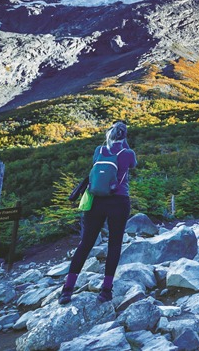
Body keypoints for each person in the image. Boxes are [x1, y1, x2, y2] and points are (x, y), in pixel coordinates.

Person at [60, 120, 137, 304]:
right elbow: (132, 165)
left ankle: (67, 290)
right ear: (124, 135)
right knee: (114, 245)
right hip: (119, 202)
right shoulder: (128, 153)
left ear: (109, 133)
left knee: (85, 244)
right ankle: (106, 290)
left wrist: (112, 139)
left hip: (96, 202)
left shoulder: (99, 151)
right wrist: (123, 142)